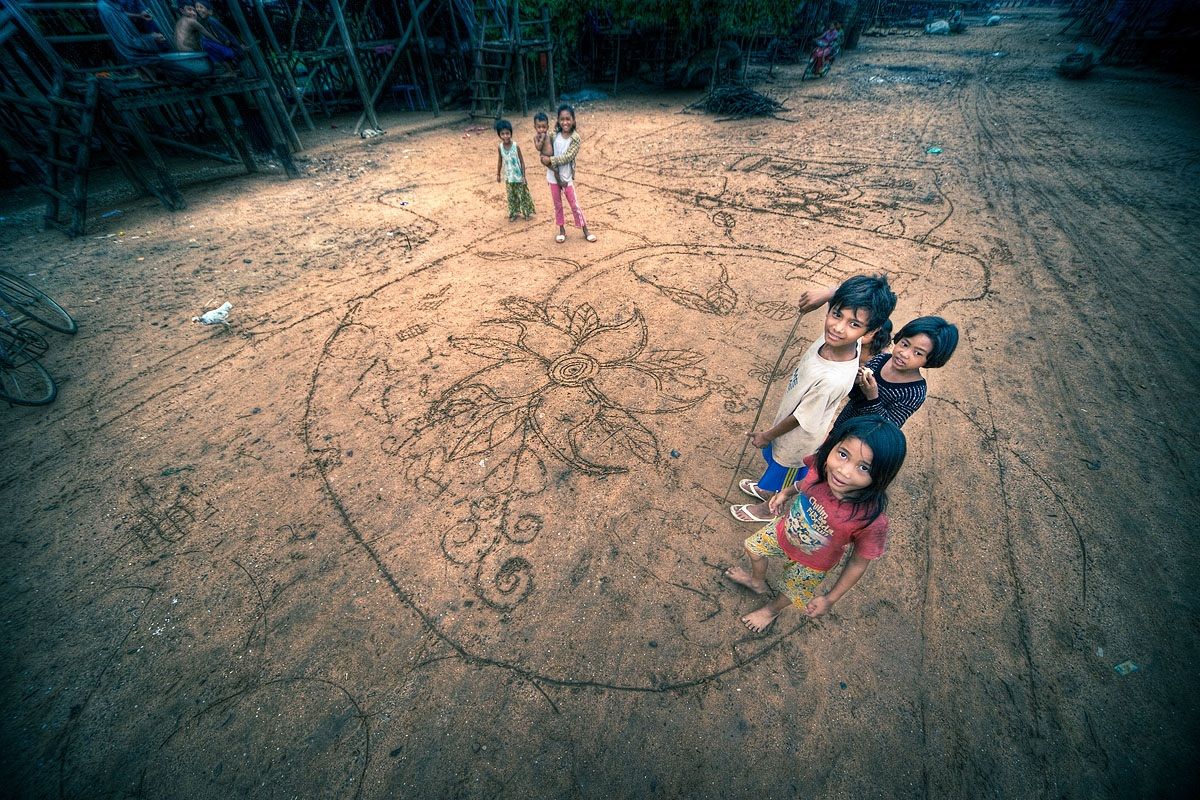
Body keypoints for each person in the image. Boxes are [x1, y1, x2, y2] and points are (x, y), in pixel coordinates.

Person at [731, 274, 895, 523]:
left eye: (854, 324)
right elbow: (855, 294)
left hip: (798, 441)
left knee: (785, 472)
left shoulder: (832, 380)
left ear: (870, 332)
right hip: (788, 428)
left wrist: (767, 435)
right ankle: (767, 488)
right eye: (837, 314)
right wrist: (828, 294)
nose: (838, 328)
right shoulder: (844, 341)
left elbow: (800, 418)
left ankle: (768, 509)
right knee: (775, 466)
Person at [725, 415, 906, 632]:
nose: (843, 470)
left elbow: (858, 563)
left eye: (864, 468)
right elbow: (804, 483)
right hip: (784, 531)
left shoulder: (871, 520)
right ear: (833, 445)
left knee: (791, 592)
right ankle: (757, 582)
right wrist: (785, 493)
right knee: (753, 549)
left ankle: (772, 610)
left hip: (813, 564)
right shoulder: (821, 470)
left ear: (882, 475)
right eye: (843, 454)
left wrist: (831, 599)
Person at [796, 285, 959, 430]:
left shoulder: (914, 392)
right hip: (842, 425)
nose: (905, 353)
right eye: (905, 344)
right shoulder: (880, 360)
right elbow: (853, 396)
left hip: (864, 441)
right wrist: (855, 380)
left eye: (918, 353)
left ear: (931, 359)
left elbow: (888, 427)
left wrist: (872, 395)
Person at [538, 104, 595, 244]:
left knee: (574, 205)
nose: (565, 122)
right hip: (552, 177)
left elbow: (568, 157)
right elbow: (543, 149)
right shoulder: (553, 135)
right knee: (557, 205)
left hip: (566, 177)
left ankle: (585, 229)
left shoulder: (575, 138)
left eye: (568, 119)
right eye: (562, 119)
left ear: (573, 120)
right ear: (558, 120)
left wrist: (549, 160)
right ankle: (562, 230)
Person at [495, 119, 534, 221]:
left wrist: (524, 176)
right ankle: (513, 213)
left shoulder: (516, 146)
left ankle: (526, 213)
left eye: (507, 133)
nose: (505, 136)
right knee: (511, 196)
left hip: (519, 177)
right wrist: (498, 174)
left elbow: (522, 161)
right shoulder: (500, 148)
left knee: (523, 195)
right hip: (509, 177)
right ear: (499, 135)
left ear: (511, 133)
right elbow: (499, 161)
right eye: (502, 134)